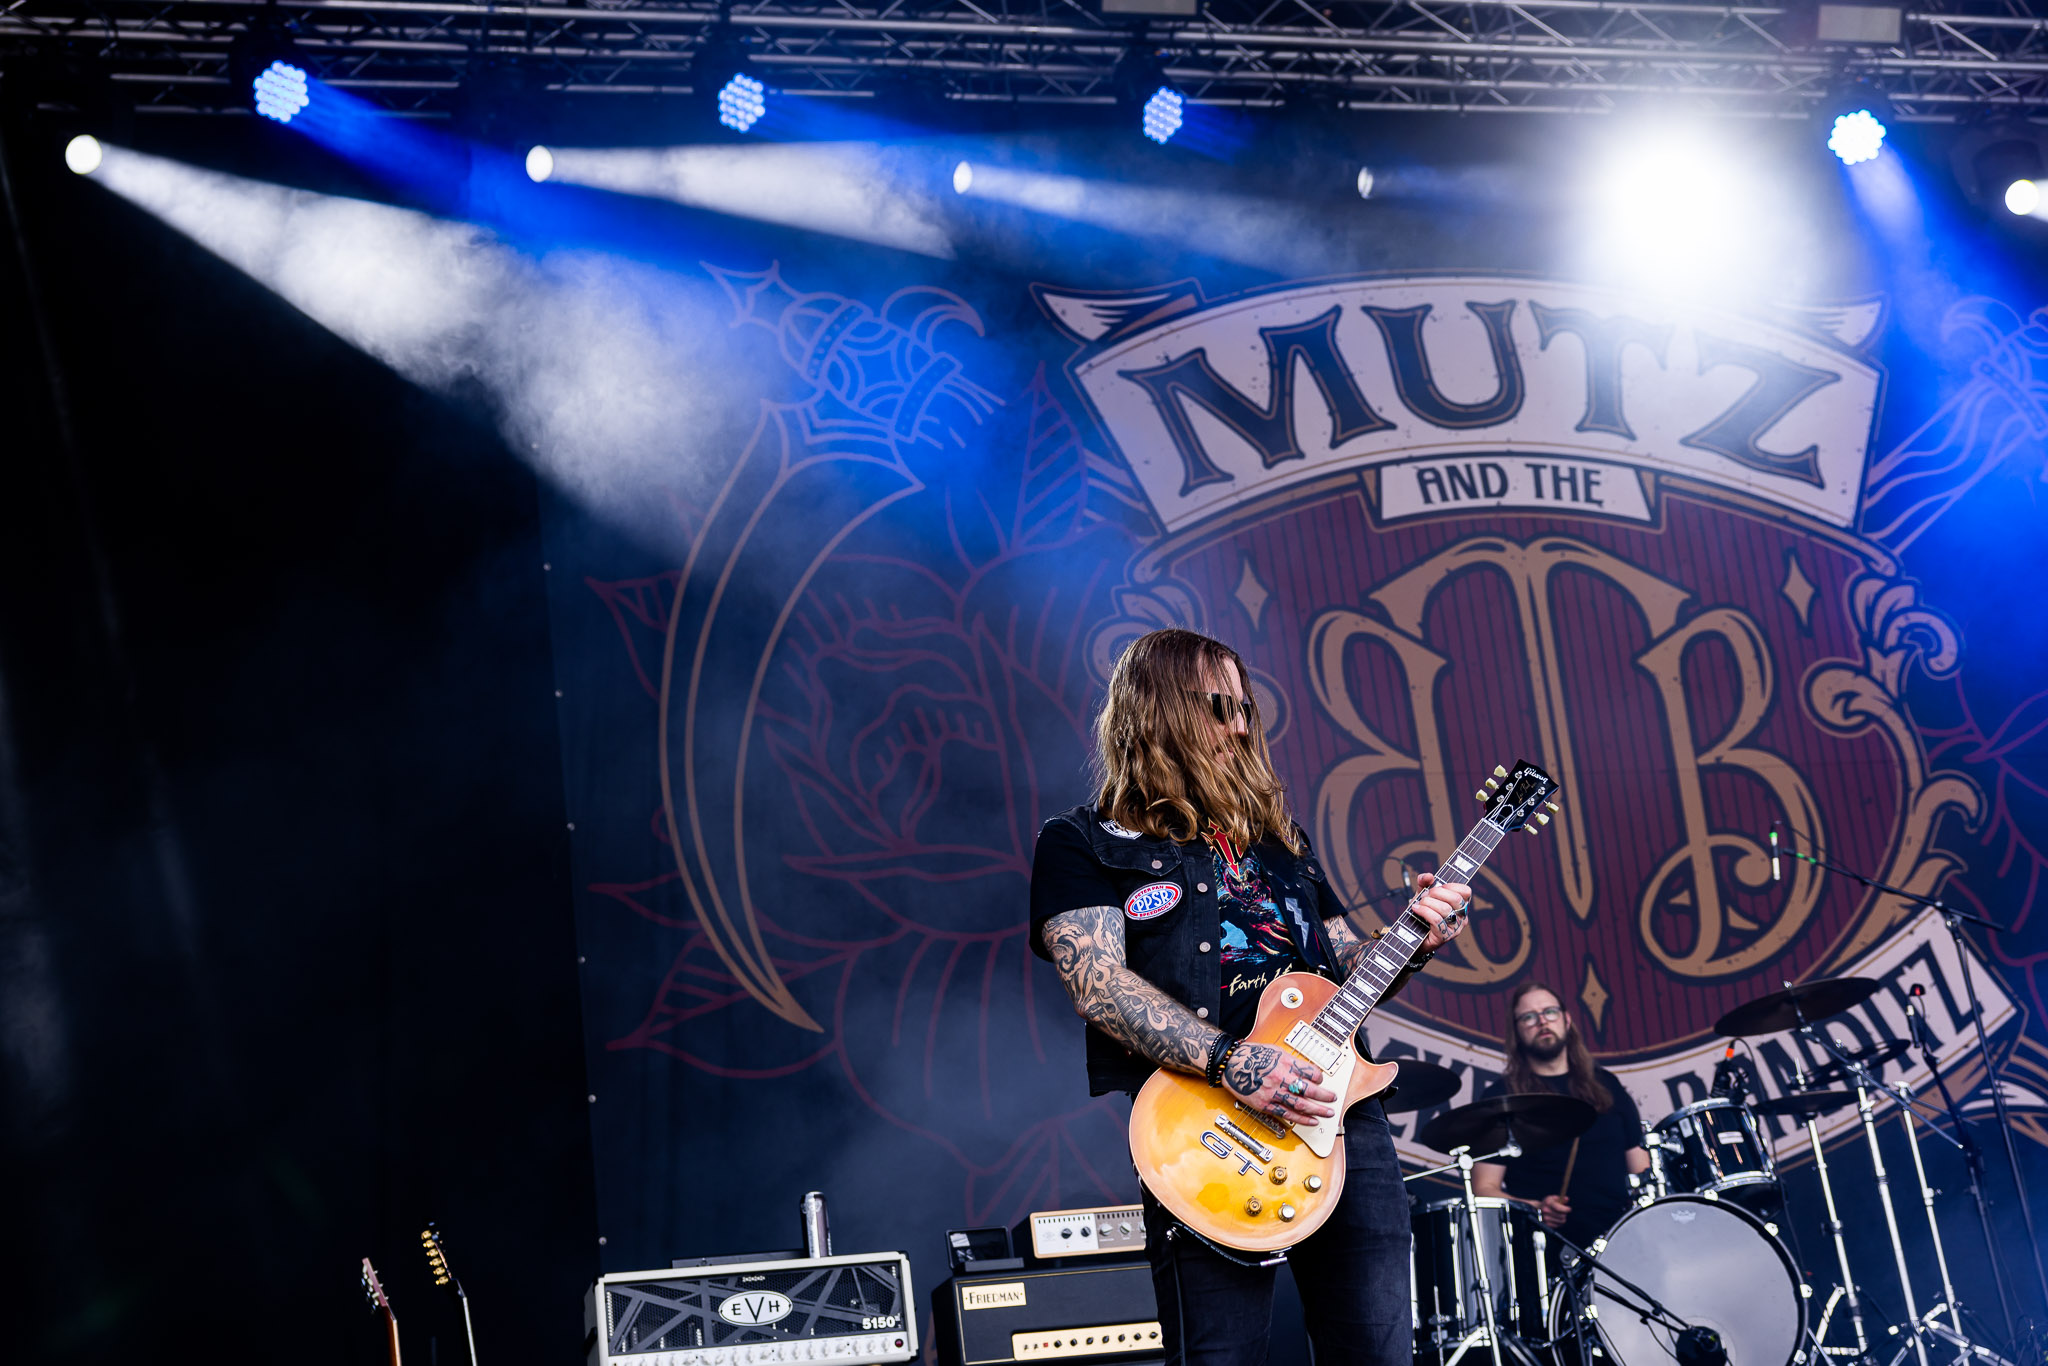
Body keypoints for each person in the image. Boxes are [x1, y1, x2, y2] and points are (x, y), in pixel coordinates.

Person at [1029, 627, 1473, 1366]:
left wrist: (1413, 939)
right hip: (1206, 1129)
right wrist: (1233, 1062)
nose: (1239, 727)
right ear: (1158, 709)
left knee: (1379, 1351)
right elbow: (1098, 986)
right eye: (1218, 707)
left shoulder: (1280, 839)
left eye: (1245, 709)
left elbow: (1342, 967)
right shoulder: (1083, 841)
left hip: (1339, 1116)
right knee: (1220, 1355)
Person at [1471, 981, 1651, 1250]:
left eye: (1550, 1012)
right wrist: (1535, 1208)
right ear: (1516, 1031)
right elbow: (1484, 1188)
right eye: (1529, 1017)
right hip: (1546, 1248)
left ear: (1566, 1020)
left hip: (1622, 1240)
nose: (1542, 1021)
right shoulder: (1501, 1099)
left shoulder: (1606, 1084)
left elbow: (1641, 1168)